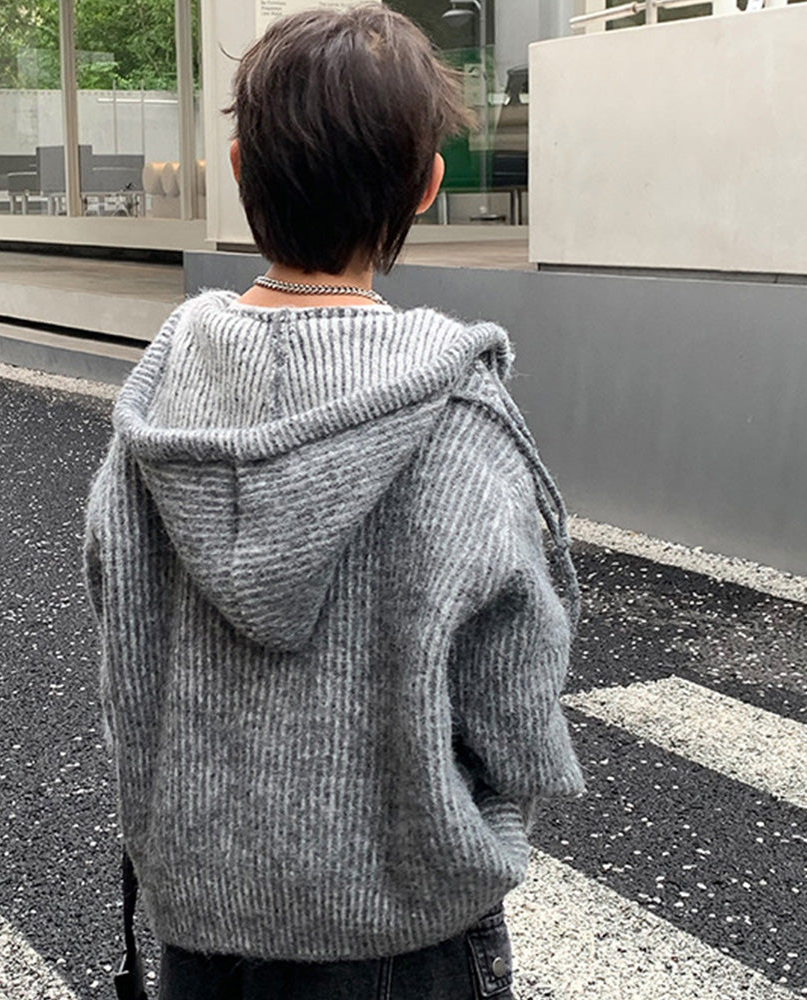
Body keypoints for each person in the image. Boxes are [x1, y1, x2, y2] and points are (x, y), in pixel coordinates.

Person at [83, 7, 584, 998]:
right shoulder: (455, 419)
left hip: (202, 923)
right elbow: (516, 701)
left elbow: (124, 650)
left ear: (239, 170)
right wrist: (499, 813)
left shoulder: (159, 406)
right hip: (403, 929)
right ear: (428, 185)